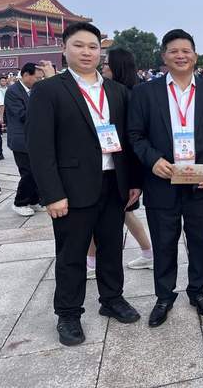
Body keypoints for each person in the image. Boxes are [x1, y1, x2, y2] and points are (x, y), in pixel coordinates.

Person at [27, 22, 142, 347]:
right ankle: (68, 313)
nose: (87, 52)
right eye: (79, 45)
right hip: (72, 188)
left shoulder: (117, 91)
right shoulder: (49, 91)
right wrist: (52, 194)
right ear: (64, 49)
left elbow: (128, 141)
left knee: (111, 248)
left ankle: (112, 299)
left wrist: (133, 182)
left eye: (93, 47)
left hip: (113, 183)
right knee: (72, 253)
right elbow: (40, 147)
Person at [128, 29, 203, 327]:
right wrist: (153, 160)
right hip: (162, 180)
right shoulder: (145, 93)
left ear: (195, 56)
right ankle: (164, 296)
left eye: (186, 51)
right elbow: (135, 135)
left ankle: (198, 291)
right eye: (174, 51)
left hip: (200, 181)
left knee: (199, 241)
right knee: (164, 242)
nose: (180, 56)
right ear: (164, 56)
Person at [85, 48, 154, 277]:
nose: (103, 67)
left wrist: (134, 179)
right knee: (123, 214)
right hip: (118, 165)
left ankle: (92, 262)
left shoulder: (125, 94)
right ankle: (146, 253)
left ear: (117, 67)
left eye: (106, 64)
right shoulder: (119, 90)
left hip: (122, 167)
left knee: (116, 214)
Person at [4, 63, 45, 216]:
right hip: (20, 139)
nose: (39, 81)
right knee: (28, 172)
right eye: (37, 78)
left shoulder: (35, 90)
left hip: (34, 139)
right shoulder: (13, 91)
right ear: (26, 75)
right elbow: (22, 115)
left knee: (37, 171)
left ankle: (34, 200)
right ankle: (19, 202)